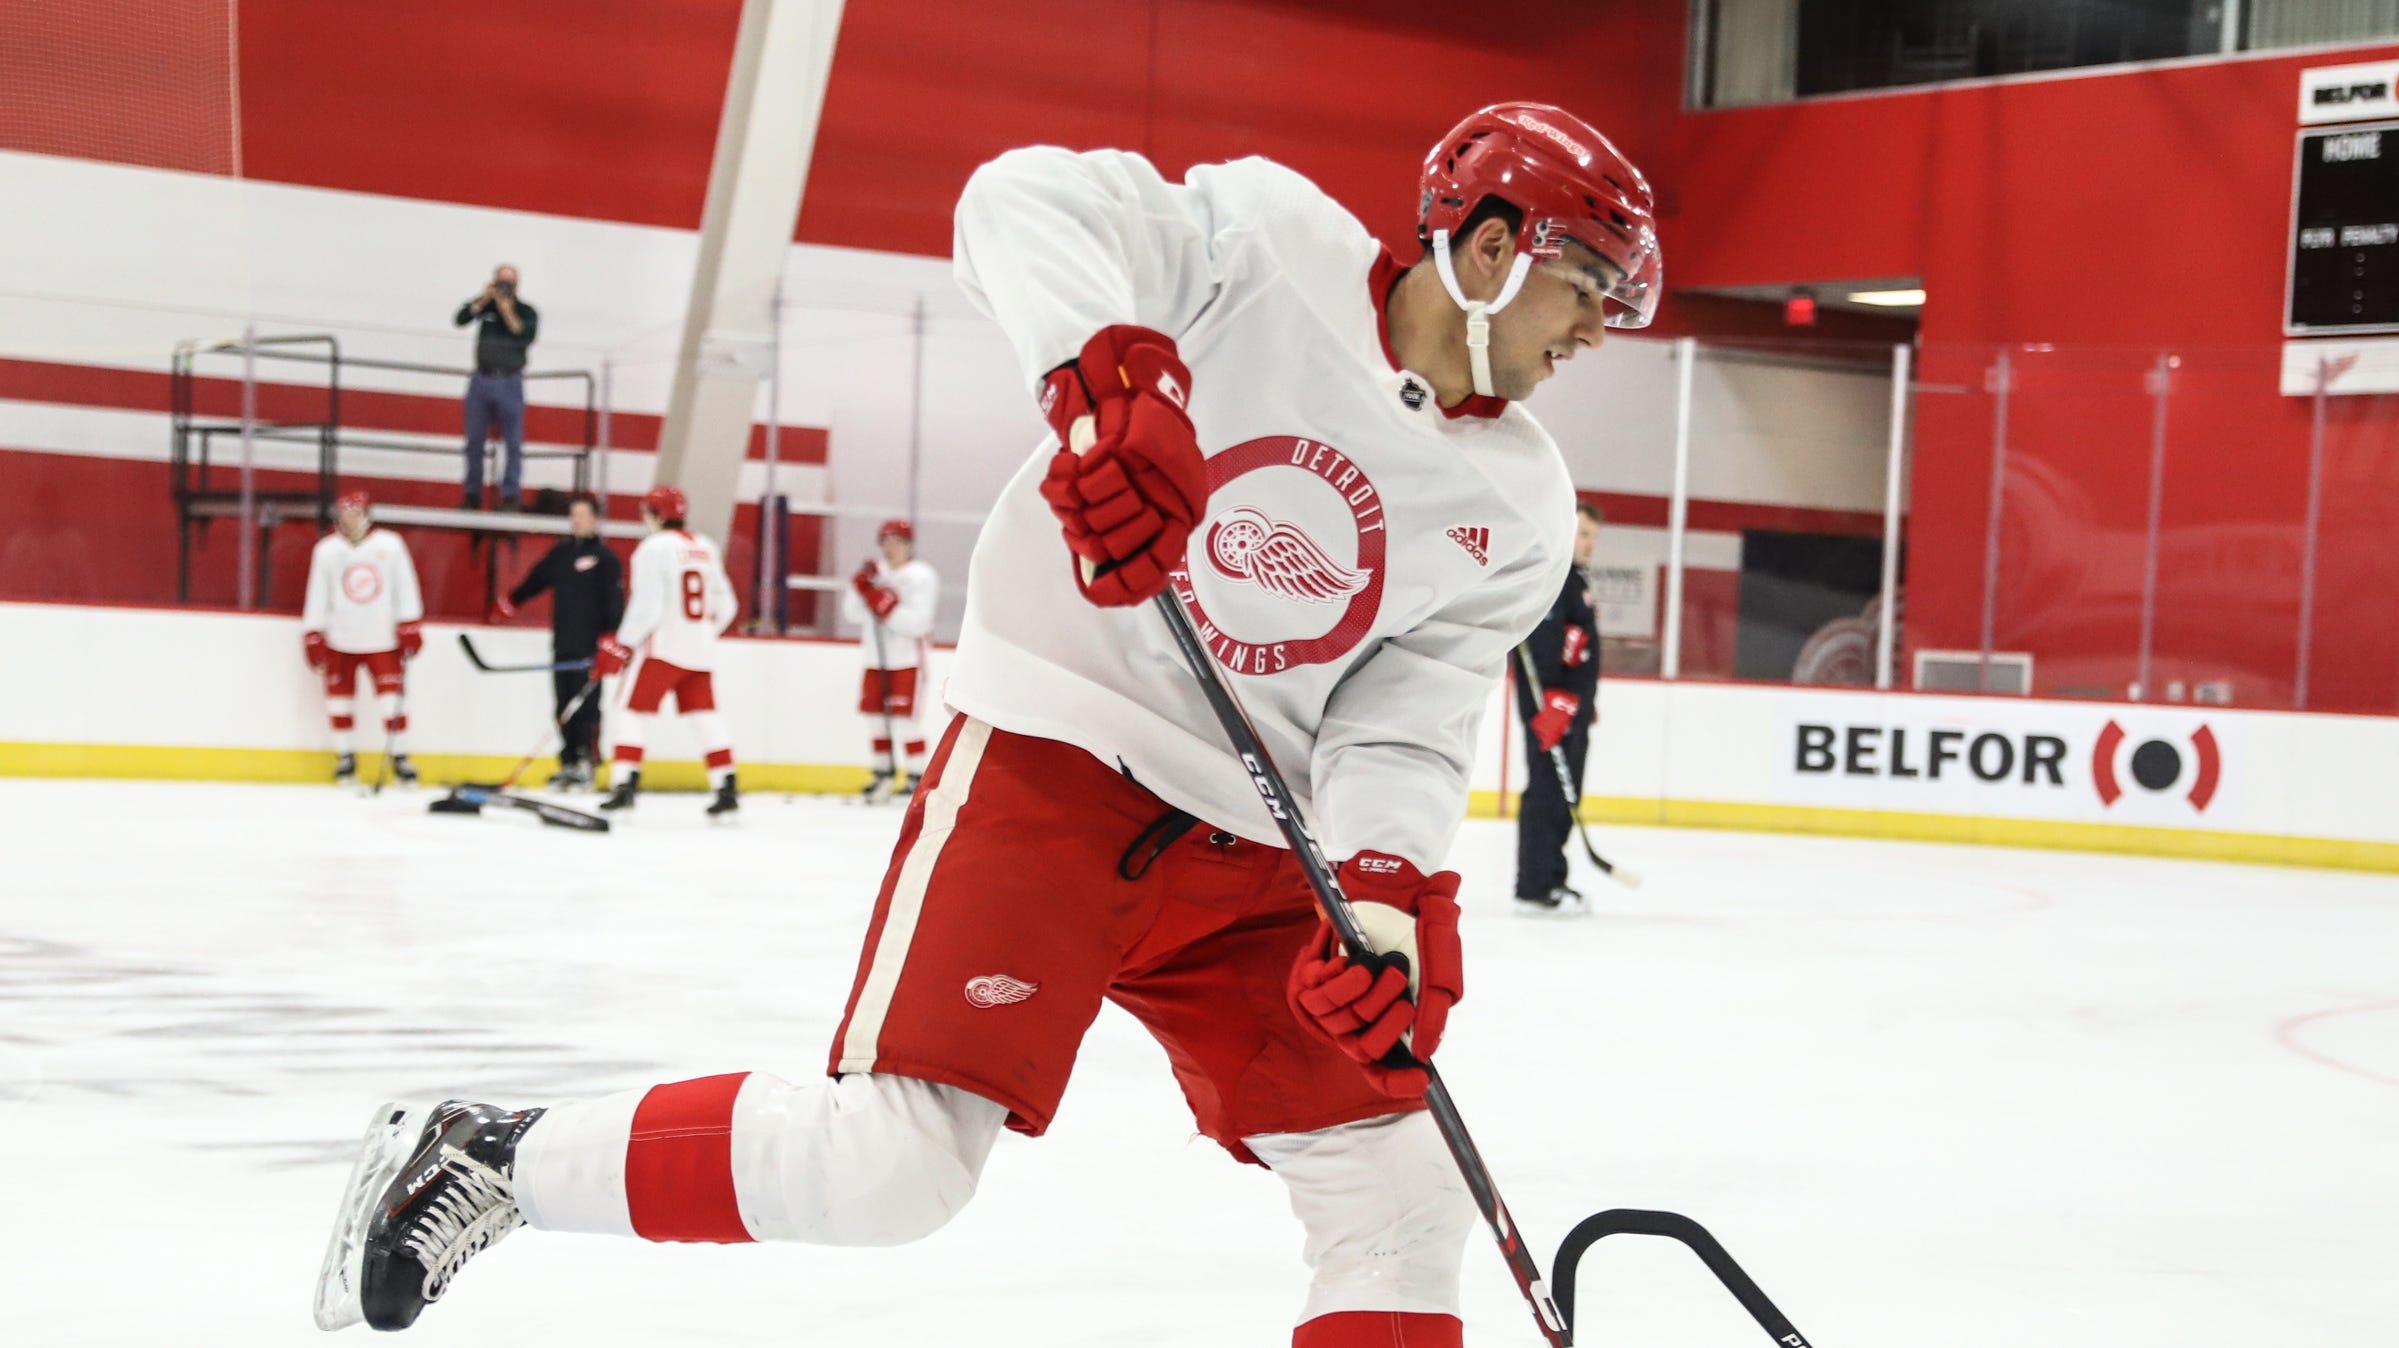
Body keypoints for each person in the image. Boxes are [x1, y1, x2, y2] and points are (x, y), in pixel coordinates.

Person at [315, 102, 1659, 1347]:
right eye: (1585, 284)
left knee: (1401, 1195)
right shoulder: (1265, 241)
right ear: (1487, 244)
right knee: (891, 1167)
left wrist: (1378, 910)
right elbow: (1017, 203)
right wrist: (1109, 380)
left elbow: (1402, 727)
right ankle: (489, 1154)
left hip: (1258, 854)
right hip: (1053, 765)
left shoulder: (1521, 506)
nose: (1598, 327)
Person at [591, 485, 739, 816]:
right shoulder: (705, 546)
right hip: (700, 650)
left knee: (630, 710)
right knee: (704, 715)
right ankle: (726, 785)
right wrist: (700, 632)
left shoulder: (653, 548)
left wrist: (623, 643)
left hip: (663, 649)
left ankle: (625, 783)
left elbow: (648, 606)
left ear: (657, 515)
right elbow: (727, 605)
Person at [497, 493, 624, 790]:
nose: (576, 520)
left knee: (586, 707)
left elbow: (615, 602)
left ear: (595, 518)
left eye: (582, 515)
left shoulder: (605, 559)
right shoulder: (561, 553)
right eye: (573, 515)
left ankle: (586, 761)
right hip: (563, 643)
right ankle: (567, 761)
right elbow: (537, 578)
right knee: (563, 705)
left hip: (589, 648)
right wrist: (512, 601)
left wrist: (610, 637)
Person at [1512, 501, 1603, 914]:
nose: (1589, 544)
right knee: (1547, 794)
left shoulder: (1574, 581)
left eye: (1593, 537)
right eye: (1583, 534)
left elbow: (1577, 649)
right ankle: (1534, 884)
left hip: (1570, 710)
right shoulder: (1553, 580)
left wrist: (1585, 703)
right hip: (1552, 713)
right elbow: (1541, 651)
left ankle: (1552, 877)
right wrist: (1553, 704)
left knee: (1564, 796)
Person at [300, 491, 424, 785]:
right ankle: (345, 758)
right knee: (339, 702)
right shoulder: (327, 550)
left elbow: (405, 586)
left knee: (391, 701)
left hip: (382, 638)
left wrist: (409, 623)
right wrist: (313, 632)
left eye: (355, 513)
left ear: (368, 515)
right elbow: (317, 593)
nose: (349, 519)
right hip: (340, 638)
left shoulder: (390, 546)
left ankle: (400, 757)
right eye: (344, 513)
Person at [836, 517, 939, 801]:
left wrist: (881, 602)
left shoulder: (921, 575)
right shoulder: (876, 574)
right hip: (874, 659)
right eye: (887, 542)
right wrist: (861, 589)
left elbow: (917, 623)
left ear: (909, 545)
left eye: (898, 542)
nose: (891, 548)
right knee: (875, 719)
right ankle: (882, 773)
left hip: (907, 661)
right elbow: (853, 614)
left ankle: (917, 775)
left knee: (905, 723)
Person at [453, 264, 539, 511]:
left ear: (517, 285)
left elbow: (525, 336)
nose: (503, 287)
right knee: (474, 441)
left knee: (513, 442)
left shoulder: (526, 311)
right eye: (500, 282)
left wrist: (507, 310)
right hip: (481, 379)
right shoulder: (485, 305)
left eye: (508, 283)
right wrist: (483, 299)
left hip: (510, 381)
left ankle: (511, 494)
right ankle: (472, 494)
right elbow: (460, 320)